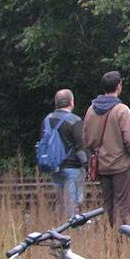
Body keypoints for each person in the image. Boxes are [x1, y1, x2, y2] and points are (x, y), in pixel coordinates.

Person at [83, 71, 130, 226]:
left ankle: (109, 236)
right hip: (121, 164)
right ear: (118, 86)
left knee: (108, 205)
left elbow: (86, 139)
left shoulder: (91, 110)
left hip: (101, 165)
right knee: (121, 204)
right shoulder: (122, 110)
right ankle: (119, 240)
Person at [43, 89, 88, 217]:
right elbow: (81, 147)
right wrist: (87, 165)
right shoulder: (74, 120)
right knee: (73, 205)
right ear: (71, 102)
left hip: (54, 168)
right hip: (73, 168)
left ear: (56, 103)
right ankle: (74, 233)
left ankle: (60, 232)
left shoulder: (47, 120)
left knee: (61, 205)